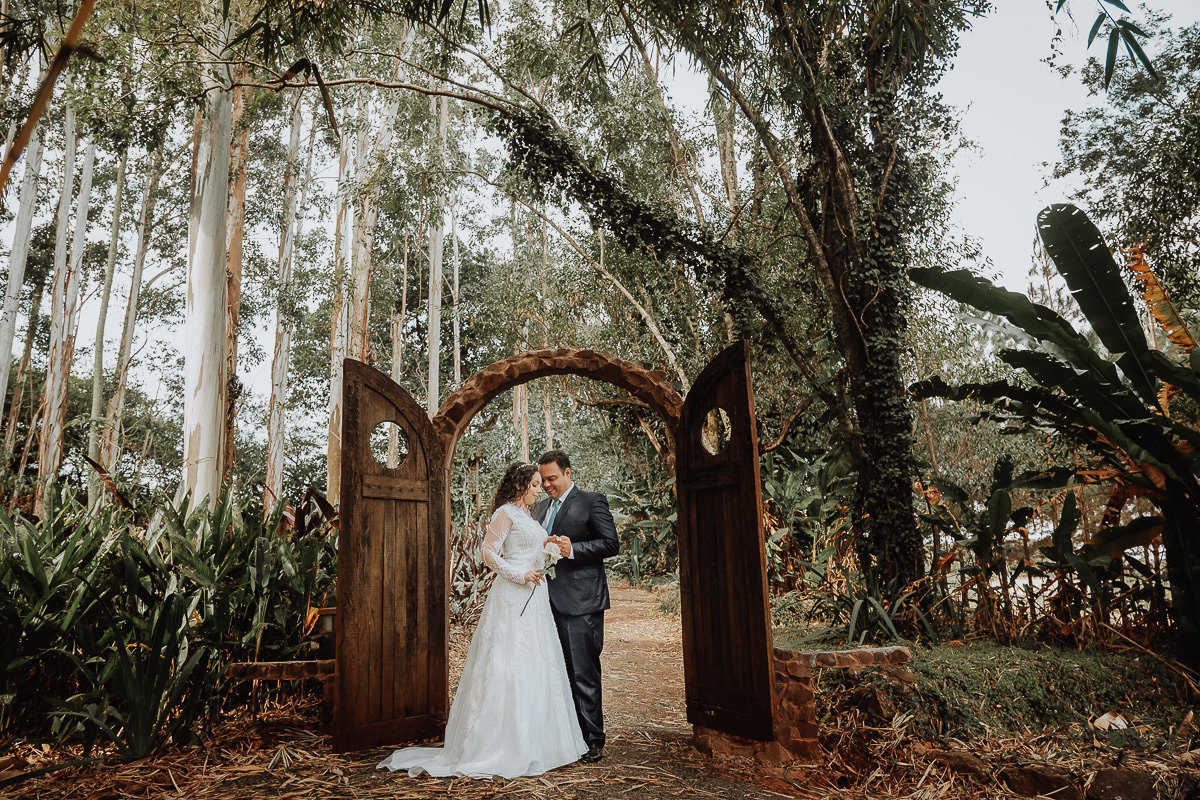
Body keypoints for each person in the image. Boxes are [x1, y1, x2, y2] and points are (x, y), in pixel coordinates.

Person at [377, 463, 586, 779]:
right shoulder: (505, 513)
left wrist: (549, 549)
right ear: (519, 486)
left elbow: (529, 549)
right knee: (509, 661)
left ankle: (541, 743)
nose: (538, 490)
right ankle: (501, 745)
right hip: (513, 595)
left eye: (538, 485)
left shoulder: (529, 517)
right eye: (533, 485)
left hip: (535, 597)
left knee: (537, 661)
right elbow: (488, 553)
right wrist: (519, 574)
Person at [536, 450, 619, 763]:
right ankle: (564, 738)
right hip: (544, 603)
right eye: (543, 480)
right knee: (554, 672)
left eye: (552, 478)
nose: (546, 485)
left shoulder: (591, 501)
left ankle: (592, 739)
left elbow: (610, 543)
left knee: (583, 673)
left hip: (581, 602)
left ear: (567, 473)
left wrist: (573, 549)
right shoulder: (539, 508)